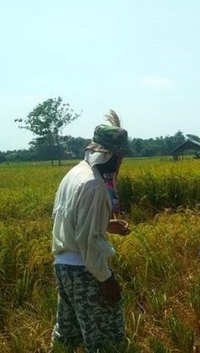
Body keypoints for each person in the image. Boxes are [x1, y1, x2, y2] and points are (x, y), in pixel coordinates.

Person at [51, 118, 130, 352]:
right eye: (120, 157)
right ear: (110, 156)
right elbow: (89, 241)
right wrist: (106, 279)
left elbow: (75, 221)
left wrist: (106, 224)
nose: (120, 163)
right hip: (84, 270)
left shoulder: (74, 174)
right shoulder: (93, 184)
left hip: (63, 266)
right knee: (105, 338)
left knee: (68, 333)